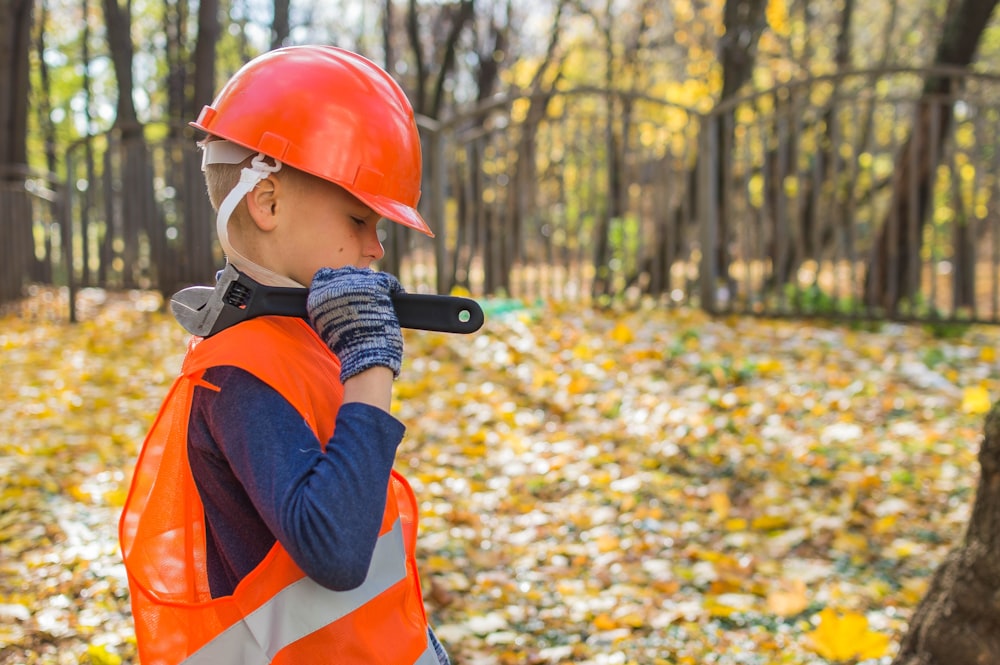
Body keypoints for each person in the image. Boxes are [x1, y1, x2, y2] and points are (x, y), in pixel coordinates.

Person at [119, 45, 449, 664]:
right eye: (359, 219)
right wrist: (371, 362)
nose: (376, 248)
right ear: (266, 202)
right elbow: (336, 550)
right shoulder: (238, 373)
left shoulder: (294, 339)